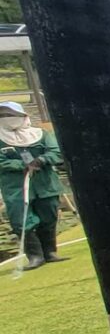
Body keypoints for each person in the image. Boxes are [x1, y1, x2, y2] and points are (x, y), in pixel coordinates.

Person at [0, 102, 67, 270]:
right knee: (22, 219)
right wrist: (20, 164)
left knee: (49, 215)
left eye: (10, 115)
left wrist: (42, 160)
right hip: (16, 187)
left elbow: (56, 151)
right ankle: (35, 256)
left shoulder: (41, 134)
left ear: (22, 116)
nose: (7, 119)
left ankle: (50, 252)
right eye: (2, 116)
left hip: (45, 183)